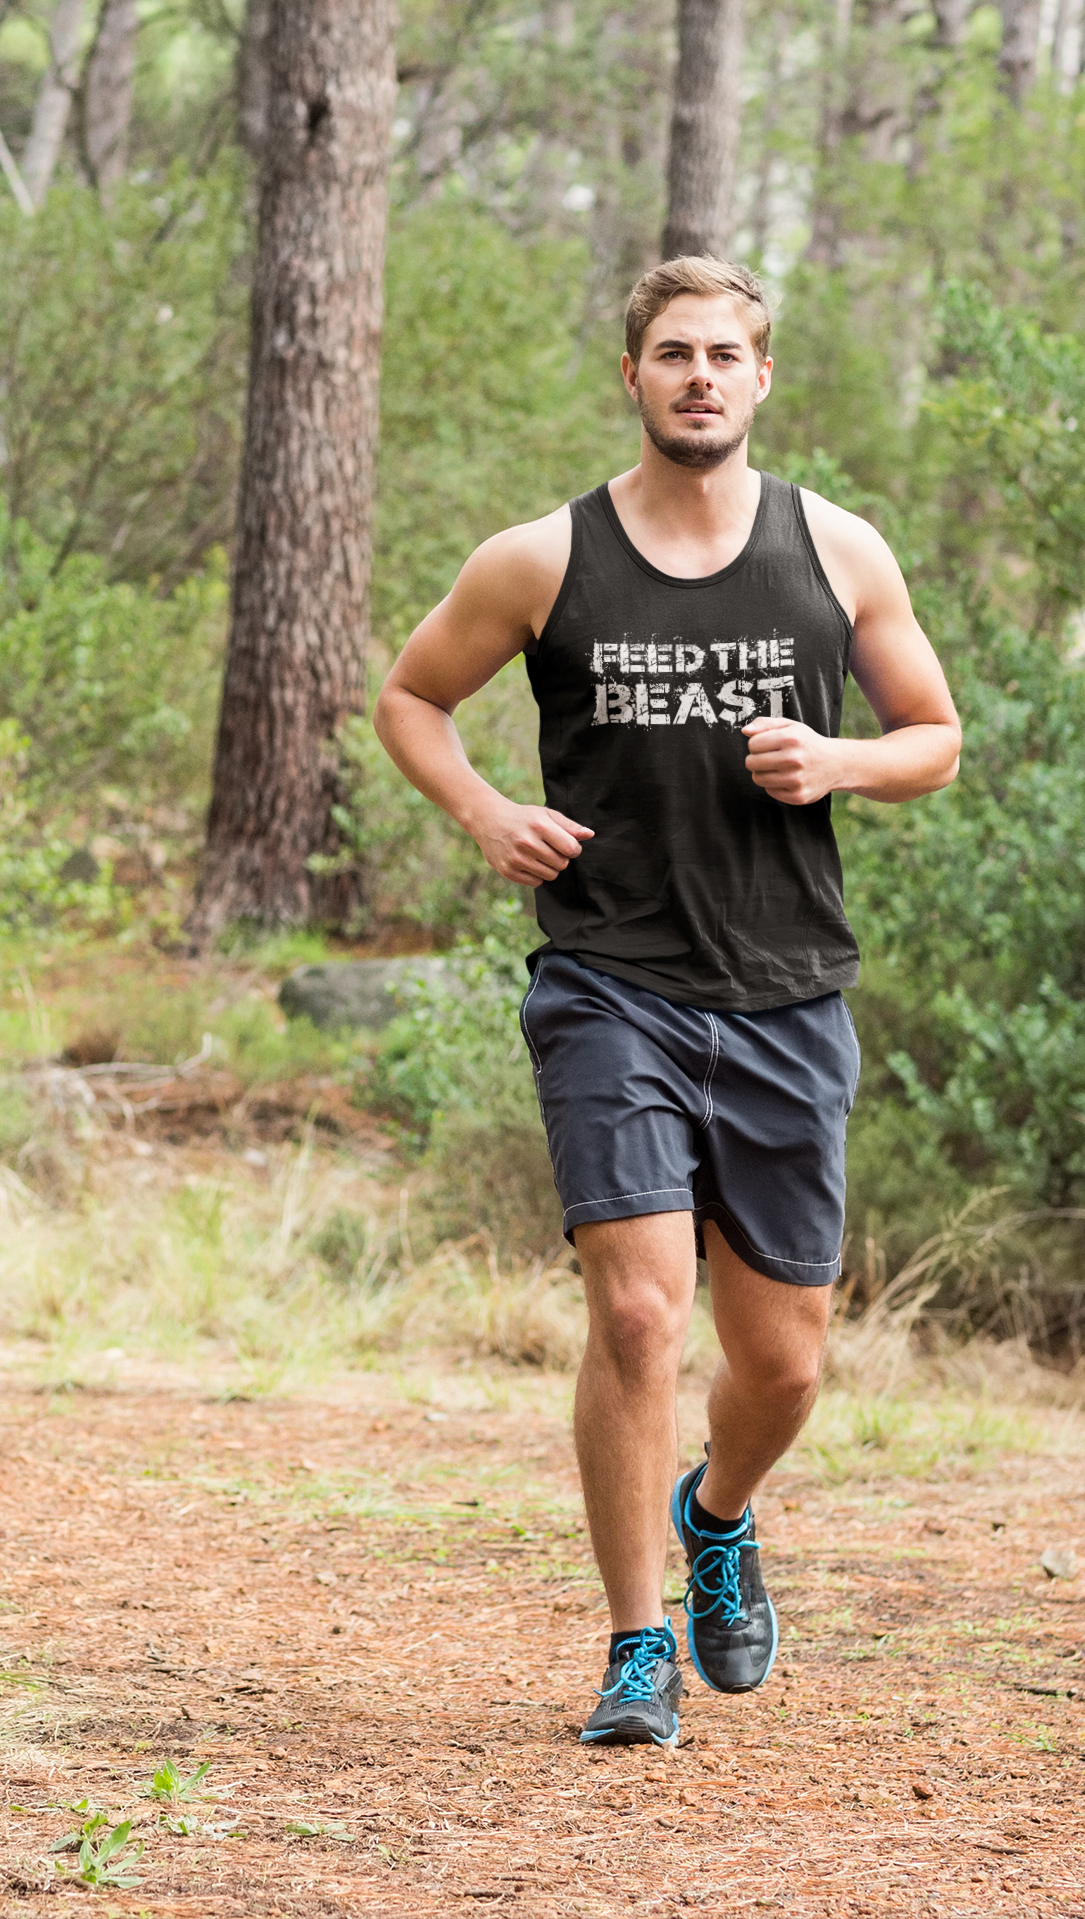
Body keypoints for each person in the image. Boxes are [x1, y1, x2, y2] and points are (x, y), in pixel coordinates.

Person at [374, 256, 961, 1748]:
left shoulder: (835, 550)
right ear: (632, 378)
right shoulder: (542, 561)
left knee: (785, 1362)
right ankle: (637, 1647)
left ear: (763, 381)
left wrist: (841, 763)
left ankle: (720, 1514)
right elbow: (410, 697)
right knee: (639, 1317)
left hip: (783, 995)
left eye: (726, 354)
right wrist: (484, 812)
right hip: (608, 984)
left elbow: (936, 738)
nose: (700, 375)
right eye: (673, 353)